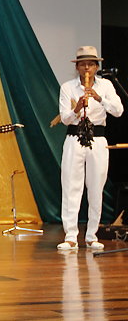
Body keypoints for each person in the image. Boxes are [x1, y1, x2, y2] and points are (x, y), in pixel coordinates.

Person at [57, 46, 123, 250]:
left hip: (97, 138)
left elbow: (119, 111)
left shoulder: (106, 86)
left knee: (96, 187)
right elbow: (64, 118)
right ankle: (70, 236)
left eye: (91, 64)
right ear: (77, 67)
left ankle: (92, 235)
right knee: (71, 187)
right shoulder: (68, 87)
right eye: (83, 64)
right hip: (74, 137)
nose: (87, 68)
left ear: (96, 67)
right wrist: (77, 109)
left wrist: (99, 98)